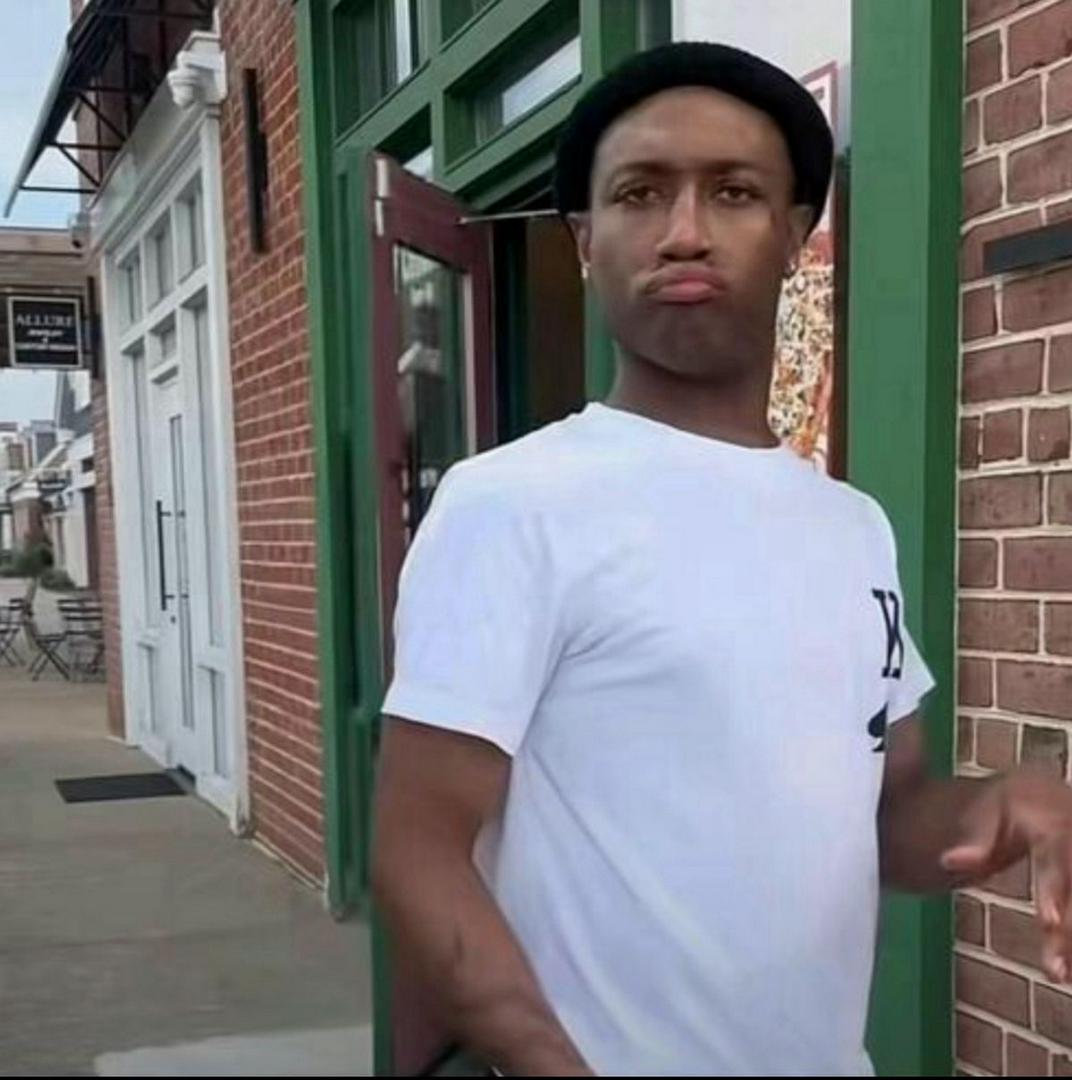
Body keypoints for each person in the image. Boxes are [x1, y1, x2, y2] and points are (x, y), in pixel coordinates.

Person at [372, 42, 1072, 1076]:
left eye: (734, 192)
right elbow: (416, 848)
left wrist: (1012, 800)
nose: (685, 231)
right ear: (585, 241)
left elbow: (892, 814)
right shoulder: (512, 505)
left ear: (794, 234)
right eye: (640, 194)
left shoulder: (853, 526)